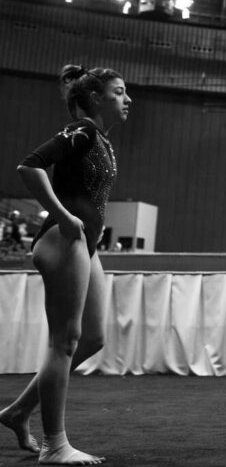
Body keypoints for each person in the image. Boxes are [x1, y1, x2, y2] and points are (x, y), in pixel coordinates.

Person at [0, 65, 131, 464]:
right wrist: (61, 215)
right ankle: (55, 445)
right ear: (95, 99)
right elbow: (30, 165)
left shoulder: (101, 140)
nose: (128, 99)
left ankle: (18, 412)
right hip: (64, 239)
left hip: (83, 244)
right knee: (64, 342)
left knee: (91, 339)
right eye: (119, 92)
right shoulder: (85, 130)